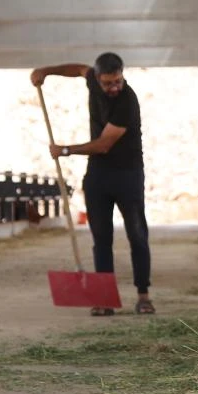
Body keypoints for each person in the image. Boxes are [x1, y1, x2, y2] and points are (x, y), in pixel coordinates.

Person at [30, 52, 154, 316]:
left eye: (118, 81)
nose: (114, 87)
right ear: (98, 78)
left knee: (137, 234)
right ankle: (105, 298)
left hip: (128, 174)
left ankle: (143, 296)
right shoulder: (92, 80)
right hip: (98, 174)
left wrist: (66, 150)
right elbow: (78, 69)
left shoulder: (127, 101)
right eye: (108, 83)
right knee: (101, 237)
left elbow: (104, 144)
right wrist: (46, 70)